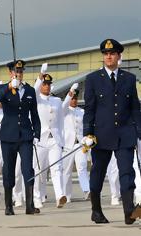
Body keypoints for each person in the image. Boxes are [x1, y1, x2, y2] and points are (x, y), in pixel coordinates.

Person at [83, 38, 141, 224]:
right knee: (98, 173)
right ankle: (96, 210)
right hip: (101, 135)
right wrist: (87, 134)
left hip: (125, 134)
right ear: (103, 57)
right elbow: (89, 109)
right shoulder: (93, 79)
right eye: (106, 54)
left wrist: (139, 131)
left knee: (126, 172)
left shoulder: (129, 78)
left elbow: (134, 107)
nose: (109, 56)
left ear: (118, 56)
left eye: (112, 53)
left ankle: (128, 211)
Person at [0, 60, 41, 215]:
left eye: (20, 71)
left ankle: (29, 205)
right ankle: (8, 205)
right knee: (8, 169)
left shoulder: (29, 90)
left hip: (25, 135)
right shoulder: (3, 88)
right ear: (10, 72)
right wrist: (9, 87)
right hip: (8, 136)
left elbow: (34, 113)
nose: (18, 74)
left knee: (28, 169)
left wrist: (37, 133)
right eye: (16, 71)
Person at [33, 69, 67, 208]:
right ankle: (36, 197)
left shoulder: (57, 100)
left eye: (48, 83)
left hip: (54, 139)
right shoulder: (36, 99)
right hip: (40, 139)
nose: (46, 86)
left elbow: (60, 122)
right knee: (38, 170)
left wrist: (61, 140)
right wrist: (39, 77)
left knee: (56, 167)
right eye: (44, 83)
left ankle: (60, 195)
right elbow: (34, 92)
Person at [62, 86, 90, 203]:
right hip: (67, 145)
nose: (74, 100)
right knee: (66, 171)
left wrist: (86, 142)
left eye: (75, 98)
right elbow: (63, 105)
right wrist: (69, 93)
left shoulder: (81, 112)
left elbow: (86, 128)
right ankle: (66, 195)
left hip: (79, 144)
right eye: (72, 98)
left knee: (82, 167)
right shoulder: (64, 110)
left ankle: (87, 190)